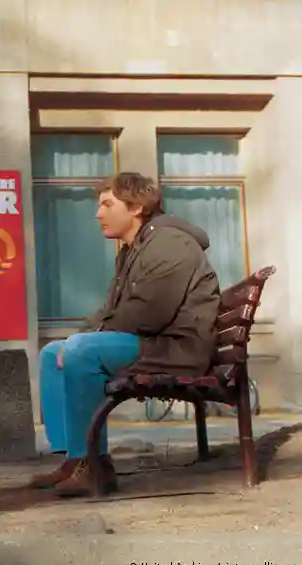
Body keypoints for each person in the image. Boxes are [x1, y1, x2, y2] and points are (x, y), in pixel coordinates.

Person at [30, 172, 221, 497]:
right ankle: (75, 458)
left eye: (107, 204)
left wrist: (80, 343)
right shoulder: (135, 250)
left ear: (136, 207)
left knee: (80, 352)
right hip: (152, 341)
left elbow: (149, 313)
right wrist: (76, 337)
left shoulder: (170, 244)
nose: (98, 214)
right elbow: (110, 310)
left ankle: (93, 465)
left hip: (177, 348)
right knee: (52, 353)